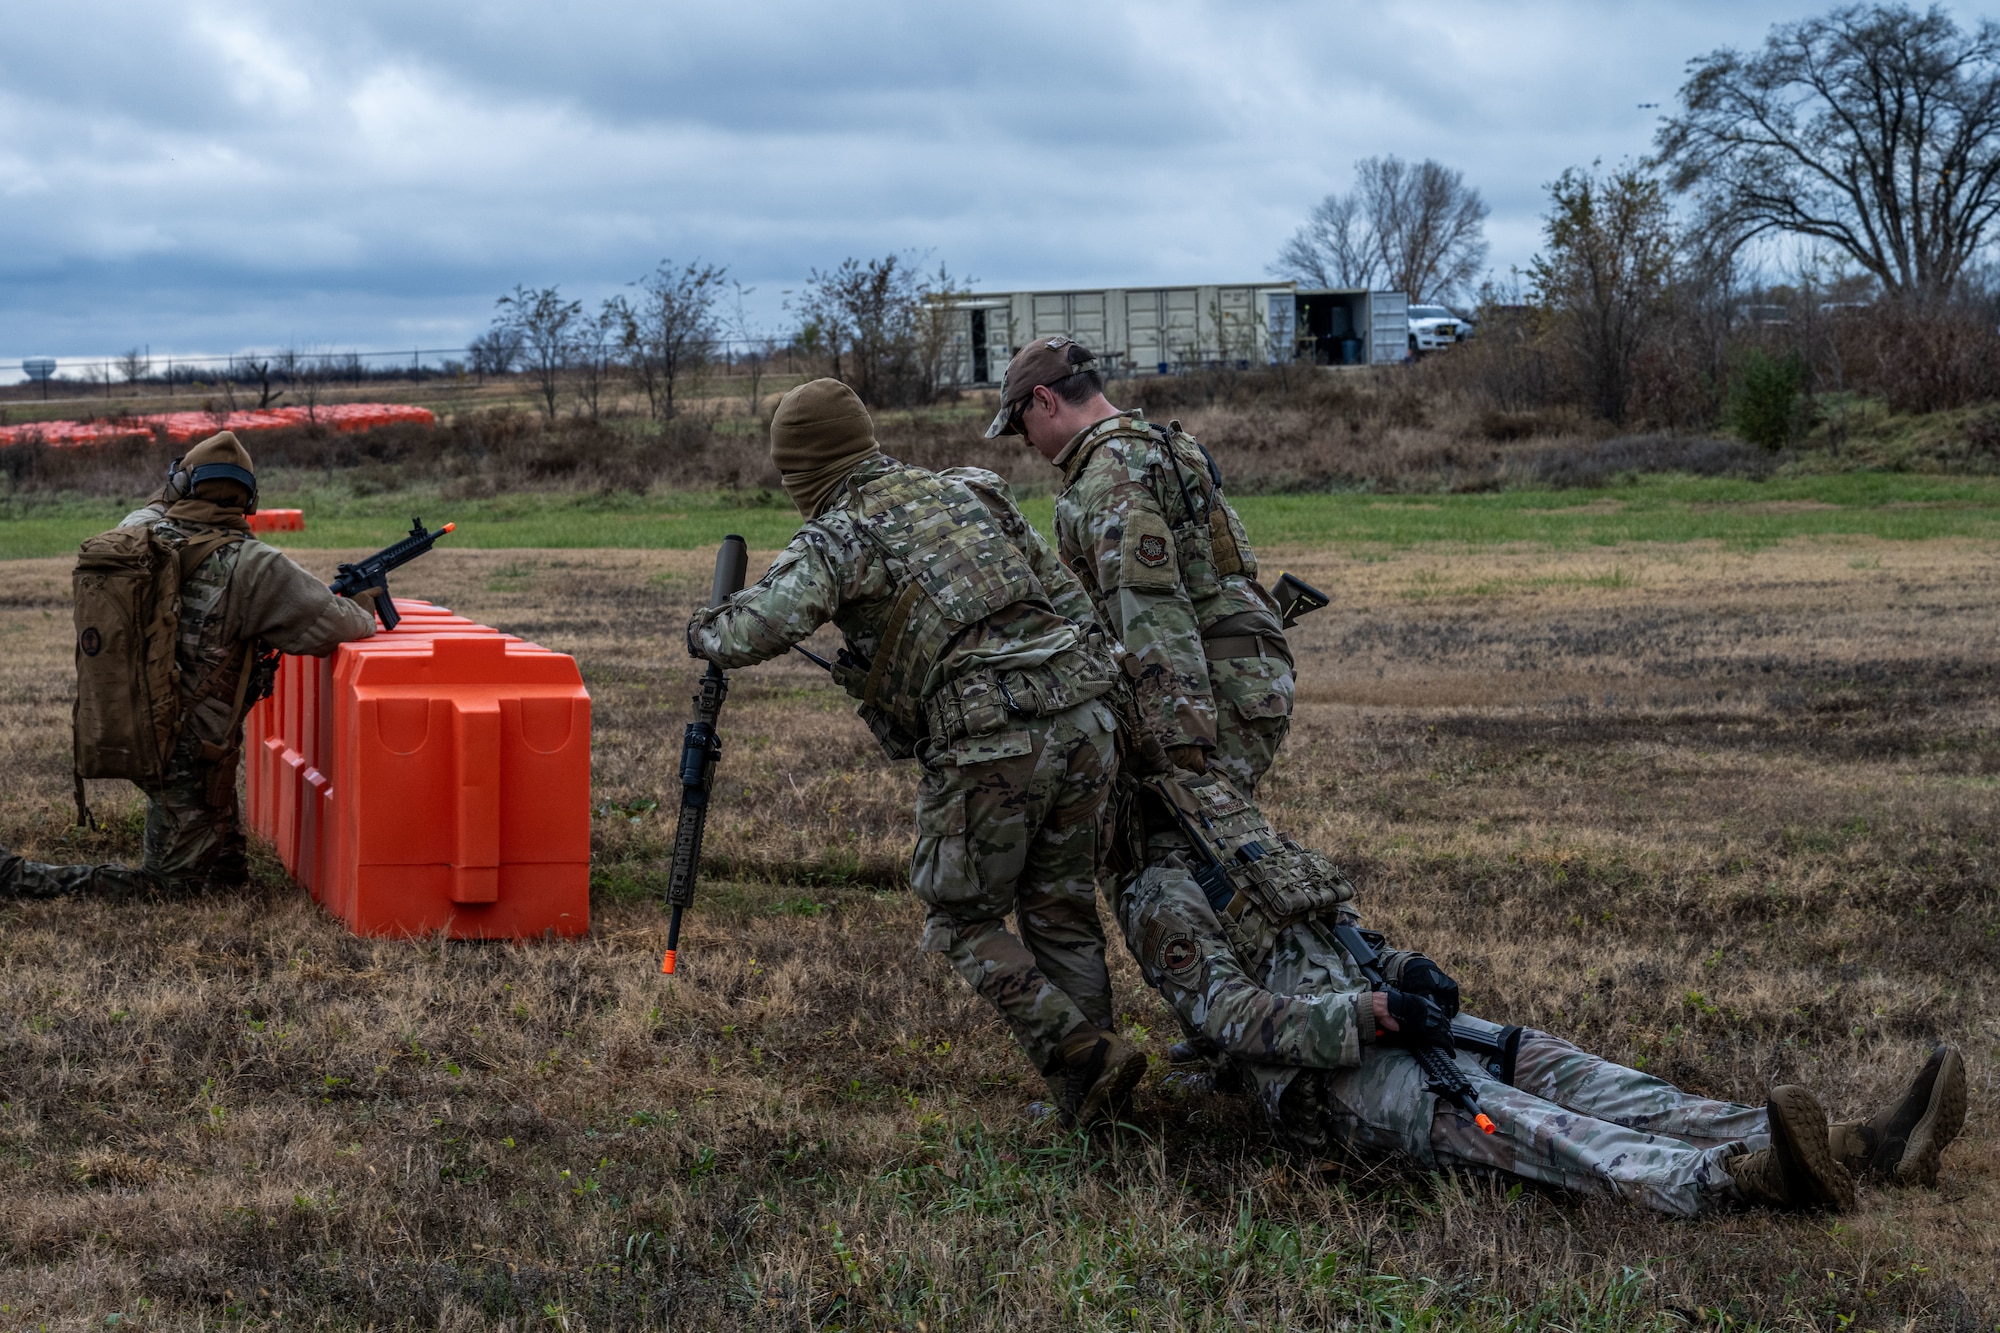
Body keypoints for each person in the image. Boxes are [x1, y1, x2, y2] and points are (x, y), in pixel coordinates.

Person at [1106, 761, 1968, 1215]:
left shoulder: (1238, 839)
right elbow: (1228, 1016)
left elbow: (1343, 933)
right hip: (1329, 1079)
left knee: (1568, 1069)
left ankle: (1860, 1145)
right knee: (1528, 1124)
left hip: (1394, 1023)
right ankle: (1736, 1180)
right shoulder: (1156, 886)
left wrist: (1404, 971)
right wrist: (1366, 1011)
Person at [686, 378, 1142, 1126]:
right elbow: (1064, 597)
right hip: (1083, 715)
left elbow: (751, 631)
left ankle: (1083, 1055)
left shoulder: (840, 535)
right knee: (1060, 908)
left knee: (959, 917)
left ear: (799, 468)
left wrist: (702, 627)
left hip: (993, 738)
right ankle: (1090, 1099)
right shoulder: (973, 490)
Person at [1, 431, 379, 900]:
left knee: (215, 844)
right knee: (166, 888)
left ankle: (224, 864)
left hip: (127, 723)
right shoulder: (256, 565)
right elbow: (341, 627)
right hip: (183, 753)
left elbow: (156, 507)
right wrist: (363, 597)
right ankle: (15, 877)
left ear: (180, 487)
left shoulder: (134, 533)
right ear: (250, 500)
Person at [991, 337, 1294, 794]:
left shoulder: (1110, 478)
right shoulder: (1154, 445)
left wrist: (1179, 740)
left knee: (1181, 845)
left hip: (1212, 687)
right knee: (1217, 842)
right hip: (1245, 670)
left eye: (1020, 424)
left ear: (1043, 399)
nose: (1027, 439)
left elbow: (1152, 608)